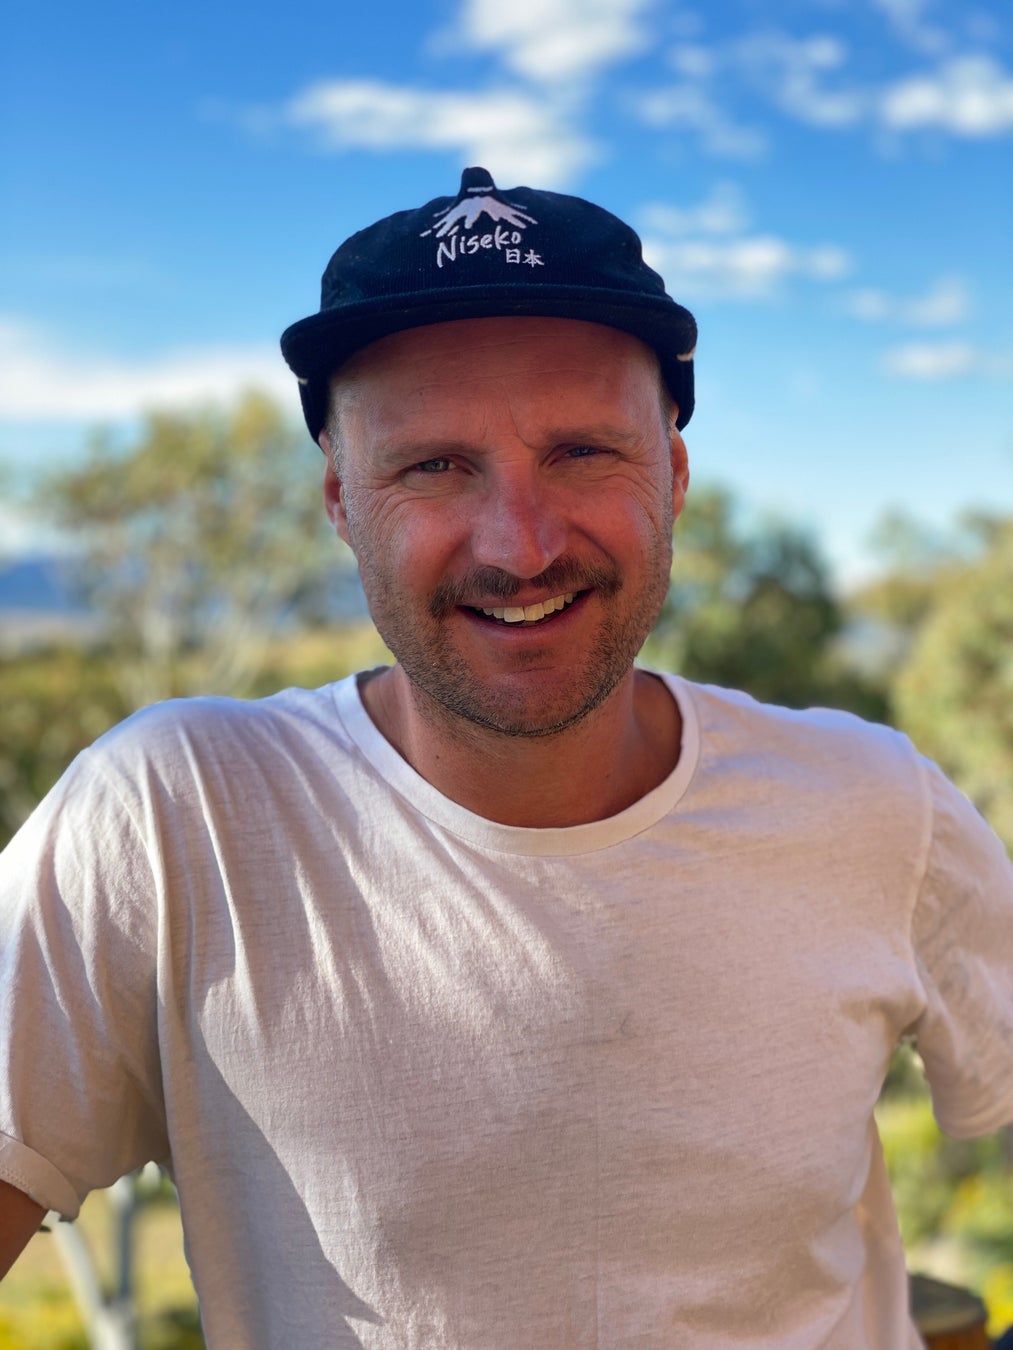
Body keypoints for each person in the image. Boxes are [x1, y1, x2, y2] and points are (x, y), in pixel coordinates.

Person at [1, 166, 1011, 1349]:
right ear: (341, 499)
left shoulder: (871, 804)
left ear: (674, 475)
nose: (519, 546)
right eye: (433, 465)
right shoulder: (177, 819)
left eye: (582, 451)